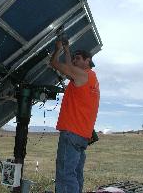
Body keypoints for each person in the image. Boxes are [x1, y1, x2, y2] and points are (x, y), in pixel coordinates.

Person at [50, 40, 100, 193]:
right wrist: (67, 50)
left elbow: (55, 63)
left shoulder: (82, 75)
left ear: (88, 61)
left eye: (78, 58)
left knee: (65, 175)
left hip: (71, 133)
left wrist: (60, 49)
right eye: (74, 58)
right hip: (82, 136)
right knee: (75, 174)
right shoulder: (92, 80)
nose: (74, 60)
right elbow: (70, 68)